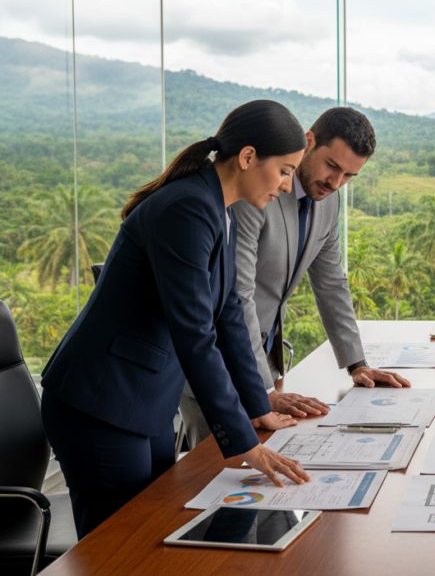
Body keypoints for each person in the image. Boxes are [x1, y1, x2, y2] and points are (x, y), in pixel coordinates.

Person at [41, 100, 313, 539]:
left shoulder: (221, 210)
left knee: (155, 529)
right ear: (247, 157)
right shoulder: (187, 209)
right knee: (118, 546)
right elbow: (195, 335)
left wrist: (258, 408)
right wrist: (242, 442)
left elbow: (228, 319)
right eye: (284, 170)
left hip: (143, 400)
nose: (287, 185)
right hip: (99, 402)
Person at [179, 106, 411, 447]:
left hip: (264, 368)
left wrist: (357, 364)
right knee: (217, 483)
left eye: (349, 176)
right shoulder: (256, 193)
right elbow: (238, 295)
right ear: (309, 142)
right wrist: (260, 392)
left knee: (266, 482)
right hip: (221, 367)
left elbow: (331, 280)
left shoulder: (328, 202)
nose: (335, 183)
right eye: (332, 166)